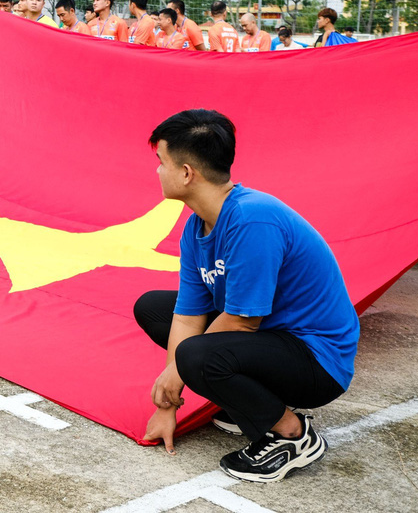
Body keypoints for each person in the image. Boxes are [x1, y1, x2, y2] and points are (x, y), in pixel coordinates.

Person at [136, 109, 359, 482]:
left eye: (161, 162)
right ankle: (248, 402)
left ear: (187, 172)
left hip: (317, 361)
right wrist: (167, 402)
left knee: (195, 355)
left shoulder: (253, 219)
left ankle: (291, 434)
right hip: (272, 339)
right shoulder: (197, 225)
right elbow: (188, 314)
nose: (157, 171)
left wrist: (175, 376)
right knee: (154, 309)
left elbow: (241, 321)